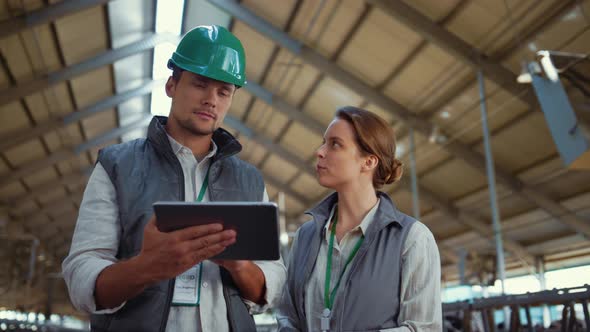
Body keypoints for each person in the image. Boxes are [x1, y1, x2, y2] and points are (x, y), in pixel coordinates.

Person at [62, 25, 286, 332]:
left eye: (224, 91)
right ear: (171, 85)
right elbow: (81, 277)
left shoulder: (250, 181)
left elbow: (272, 280)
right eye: (200, 84)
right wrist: (147, 267)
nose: (211, 99)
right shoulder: (116, 166)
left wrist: (240, 266)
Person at [276, 106, 442, 331]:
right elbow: (288, 316)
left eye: (335, 144)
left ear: (369, 162)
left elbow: (422, 328)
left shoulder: (412, 239)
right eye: (324, 142)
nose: (320, 151)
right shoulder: (305, 236)